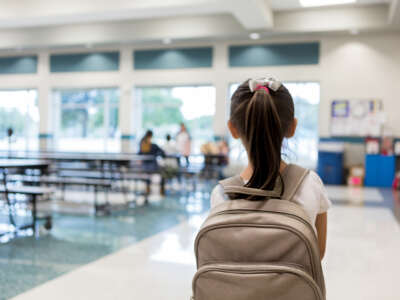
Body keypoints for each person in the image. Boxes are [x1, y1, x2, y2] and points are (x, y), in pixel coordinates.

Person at [210, 78, 331, 259]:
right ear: (292, 128)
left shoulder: (220, 195)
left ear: (232, 129)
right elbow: (317, 254)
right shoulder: (310, 183)